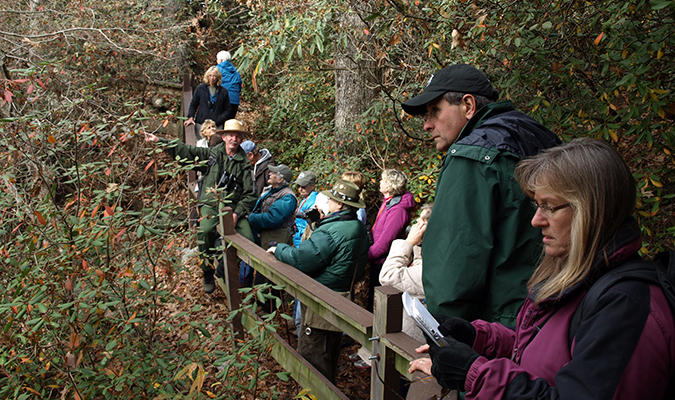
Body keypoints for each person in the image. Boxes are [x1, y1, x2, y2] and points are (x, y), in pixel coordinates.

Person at [408, 138, 675, 399]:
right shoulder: (578, 276)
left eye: (549, 207)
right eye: (537, 205)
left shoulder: (626, 306)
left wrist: (474, 374)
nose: (536, 220)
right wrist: (477, 337)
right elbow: (540, 352)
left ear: (591, 210)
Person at [401, 63, 561, 325]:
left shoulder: (471, 157)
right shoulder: (538, 136)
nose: (426, 125)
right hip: (551, 315)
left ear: (467, 105)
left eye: (434, 111)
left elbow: (453, 270)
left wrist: (449, 339)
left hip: (498, 328)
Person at [267, 179, 370, 383]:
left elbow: (301, 259)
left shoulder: (333, 231)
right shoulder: (356, 226)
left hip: (322, 301)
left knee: (313, 359)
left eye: (332, 199)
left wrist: (279, 249)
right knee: (328, 354)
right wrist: (319, 224)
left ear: (340, 204)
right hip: (341, 297)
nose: (328, 202)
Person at [145, 119, 256, 293]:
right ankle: (207, 270)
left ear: (241, 139)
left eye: (237, 136)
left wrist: (238, 213)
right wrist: (161, 142)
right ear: (224, 137)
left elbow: (250, 194)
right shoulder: (213, 154)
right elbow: (188, 151)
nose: (234, 139)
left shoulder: (244, 164)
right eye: (231, 135)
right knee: (204, 231)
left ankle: (224, 269)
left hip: (232, 209)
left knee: (249, 241)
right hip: (211, 205)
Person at [367, 169, 415, 311]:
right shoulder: (389, 203)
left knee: (378, 307)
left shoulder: (398, 210)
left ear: (388, 186)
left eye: (382, 180)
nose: (379, 182)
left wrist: (365, 257)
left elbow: (384, 244)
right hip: (377, 260)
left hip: (384, 264)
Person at [247, 164, 298, 251]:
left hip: (276, 239)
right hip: (266, 236)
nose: (269, 173)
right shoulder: (271, 190)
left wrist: (251, 218)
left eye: (273, 172)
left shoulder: (288, 197)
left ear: (281, 179)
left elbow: (273, 219)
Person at [184, 67, 231, 135]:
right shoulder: (200, 88)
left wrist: (219, 120)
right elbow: (193, 104)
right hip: (201, 124)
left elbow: (228, 109)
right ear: (207, 76)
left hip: (216, 126)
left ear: (218, 77)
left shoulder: (223, 91)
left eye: (214, 76)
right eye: (210, 75)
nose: (212, 78)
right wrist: (190, 117)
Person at [216, 50, 242, 120]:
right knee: (229, 124)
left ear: (220, 60)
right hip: (234, 101)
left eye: (217, 59)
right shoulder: (236, 71)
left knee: (219, 122)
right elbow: (239, 86)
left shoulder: (217, 69)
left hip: (222, 99)